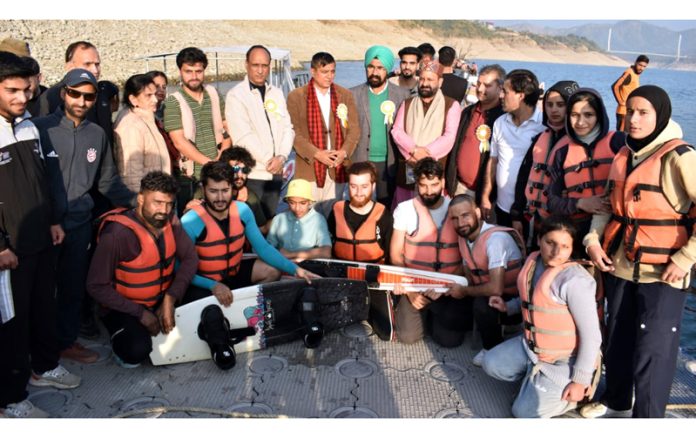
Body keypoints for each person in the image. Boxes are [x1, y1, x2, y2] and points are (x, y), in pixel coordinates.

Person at [582, 85, 696, 418]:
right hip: (620, 265)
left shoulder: (681, 157)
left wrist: (685, 257)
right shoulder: (623, 156)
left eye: (643, 112)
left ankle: (648, 419)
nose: (633, 118)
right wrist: (592, 240)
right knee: (617, 335)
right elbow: (606, 206)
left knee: (654, 349)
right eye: (630, 111)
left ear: (660, 115)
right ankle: (616, 398)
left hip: (664, 271)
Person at [33, 69, 135, 363]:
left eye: (88, 96)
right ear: (63, 92)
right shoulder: (38, 129)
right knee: (39, 293)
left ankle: (65, 342)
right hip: (42, 227)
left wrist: (138, 203)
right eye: (75, 93)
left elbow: (107, 182)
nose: (81, 100)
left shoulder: (97, 134)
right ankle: (36, 350)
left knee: (73, 288)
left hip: (78, 226)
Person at [0, 51, 80, 419]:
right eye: (12, 90)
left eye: (26, 89)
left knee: (42, 308)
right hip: (8, 250)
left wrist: (52, 221)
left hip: (40, 239)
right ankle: (11, 398)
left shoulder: (30, 125)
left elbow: (42, 183)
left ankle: (45, 366)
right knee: (11, 325)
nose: (23, 97)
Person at [482, 216, 602, 418]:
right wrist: (508, 307)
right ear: (539, 240)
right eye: (550, 243)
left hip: (564, 359)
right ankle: (537, 382)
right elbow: (534, 301)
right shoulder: (533, 262)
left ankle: (583, 394)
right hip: (532, 349)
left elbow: (592, 337)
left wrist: (580, 381)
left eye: (564, 246)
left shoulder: (575, 281)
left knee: (522, 413)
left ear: (572, 249)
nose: (556, 252)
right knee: (491, 363)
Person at [86, 172, 198, 368]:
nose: (164, 210)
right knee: (136, 351)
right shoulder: (117, 235)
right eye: (157, 202)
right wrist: (140, 313)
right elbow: (96, 286)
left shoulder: (170, 220)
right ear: (140, 199)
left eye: (169, 204)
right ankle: (119, 336)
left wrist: (170, 298)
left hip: (161, 297)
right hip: (125, 307)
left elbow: (190, 258)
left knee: (203, 304)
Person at [181, 162, 316, 306]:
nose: (220, 198)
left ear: (233, 189)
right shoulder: (190, 220)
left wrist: (295, 270)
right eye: (213, 191)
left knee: (271, 271)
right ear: (203, 189)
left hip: (234, 274)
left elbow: (263, 248)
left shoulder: (243, 210)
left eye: (225, 190)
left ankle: (246, 307)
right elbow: (179, 268)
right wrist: (212, 285)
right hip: (204, 281)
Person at [389, 158, 465, 346]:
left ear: (443, 183)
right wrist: (409, 290)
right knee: (408, 337)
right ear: (416, 185)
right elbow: (396, 255)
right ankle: (415, 311)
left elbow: (468, 257)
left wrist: (447, 288)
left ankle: (435, 315)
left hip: (447, 287)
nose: (429, 191)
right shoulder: (404, 210)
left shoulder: (456, 209)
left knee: (450, 341)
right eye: (423, 186)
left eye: (434, 185)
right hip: (414, 285)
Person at [445, 194, 525, 366]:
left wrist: (464, 291)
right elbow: (467, 272)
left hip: (511, 301)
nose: (460, 224)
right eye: (455, 218)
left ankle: (492, 348)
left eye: (465, 216)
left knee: (482, 306)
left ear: (478, 213)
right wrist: (443, 285)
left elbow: (496, 289)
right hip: (483, 290)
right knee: (450, 316)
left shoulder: (495, 240)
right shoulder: (464, 238)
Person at [546, 88, 625, 257]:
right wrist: (580, 203)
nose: (580, 122)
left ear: (599, 116)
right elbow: (552, 202)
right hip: (578, 233)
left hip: (616, 232)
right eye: (574, 115)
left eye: (588, 115)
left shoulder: (618, 142)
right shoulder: (562, 153)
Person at [225, 45, 294, 222]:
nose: (260, 70)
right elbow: (243, 136)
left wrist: (282, 157)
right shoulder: (236, 96)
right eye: (256, 65)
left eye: (264, 65)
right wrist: (269, 160)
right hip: (254, 174)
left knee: (269, 222)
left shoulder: (276, 94)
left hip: (276, 173)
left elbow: (288, 128)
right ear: (246, 65)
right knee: (250, 225)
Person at [286, 52, 359, 217]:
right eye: (324, 72)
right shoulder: (295, 97)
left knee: (333, 216)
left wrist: (344, 152)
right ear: (312, 71)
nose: (329, 76)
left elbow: (354, 129)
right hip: (309, 169)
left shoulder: (345, 95)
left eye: (332, 71)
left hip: (337, 167)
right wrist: (317, 154)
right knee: (307, 217)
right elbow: (293, 133)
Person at [510, 80, 579, 249]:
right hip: (534, 218)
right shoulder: (540, 139)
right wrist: (517, 214)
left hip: (561, 224)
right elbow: (524, 176)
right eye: (549, 104)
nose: (554, 110)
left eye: (560, 104)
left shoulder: (577, 143)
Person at [164, 47, 231, 213]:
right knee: (192, 222)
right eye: (188, 71)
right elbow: (179, 142)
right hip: (190, 176)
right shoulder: (173, 102)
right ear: (180, 71)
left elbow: (226, 127)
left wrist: (222, 156)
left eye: (198, 71)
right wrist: (209, 164)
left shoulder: (214, 94)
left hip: (219, 170)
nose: (194, 76)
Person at [391, 61, 461, 208]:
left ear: (440, 82)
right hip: (408, 168)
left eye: (430, 80)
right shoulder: (407, 103)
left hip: (434, 170)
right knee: (405, 212)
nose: (424, 83)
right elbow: (396, 131)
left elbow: (449, 136)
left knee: (433, 216)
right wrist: (414, 150)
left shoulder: (451, 105)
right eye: (422, 79)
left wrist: (426, 153)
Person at [481, 69, 544, 227]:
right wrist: (485, 196)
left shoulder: (544, 125)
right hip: (502, 208)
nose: (501, 96)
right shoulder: (500, 123)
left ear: (521, 96)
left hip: (530, 212)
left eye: (505, 91)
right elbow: (493, 161)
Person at [350, 45, 410, 207]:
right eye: (371, 67)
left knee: (387, 206)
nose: (375, 73)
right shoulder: (352, 94)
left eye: (380, 68)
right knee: (360, 205)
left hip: (389, 162)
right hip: (361, 159)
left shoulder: (402, 95)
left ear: (388, 69)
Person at [445, 64, 506, 201]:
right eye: (478, 83)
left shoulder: (504, 119)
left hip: (486, 196)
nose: (480, 89)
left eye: (487, 85)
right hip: (458, 187)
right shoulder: (467, 112)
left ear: (500, 88)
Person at [38, 41, 114, 141]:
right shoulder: (51, 96)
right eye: (87, 64)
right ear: (69, 67)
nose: (95, 70)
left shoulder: (102, 92)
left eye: (97, 64)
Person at [113, 73, 171, 193]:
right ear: (133, 99)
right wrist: (138, 202)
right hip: (148, 199)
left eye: (155, 94)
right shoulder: (130, 126)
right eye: (148, 96)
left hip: (157, 193)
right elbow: (131, 174)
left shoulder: (145, 118)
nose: (155, 99)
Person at [327, 161, 393, 263]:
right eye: (353, 186)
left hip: (373, 275)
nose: (359, 192)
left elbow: (390, 255)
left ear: (373, 186)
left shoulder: (384, 215)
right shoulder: (336, 212)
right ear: (348, 185)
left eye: (364, 187)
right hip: (340, 274)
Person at [266, 179, 332, 262]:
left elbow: (326, 251)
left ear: (310, 202)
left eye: (302, 203)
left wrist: (291, 254)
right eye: (292, 203)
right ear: (287, 201)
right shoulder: (278, 219)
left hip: (308, 266)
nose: (297, 208)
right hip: (280, 264)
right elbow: (268, 247)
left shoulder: (319, 220)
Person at [219, 146, 269, 233]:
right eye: (235, 169)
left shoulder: (250, 197)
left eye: (245, 170)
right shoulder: (206, 192)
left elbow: (262, 229)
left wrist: (282, 217)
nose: (240, 175)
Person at [611, 54, 649, 131]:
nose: (641, 68)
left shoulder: (636, 74)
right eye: (640, 65)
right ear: (635, 63)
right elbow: (615, 86)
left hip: (630, 112)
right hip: (623, 112)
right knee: (621, 137)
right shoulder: (629, 73)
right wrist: (620, 102)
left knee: (628, 136)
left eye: (644, 66)